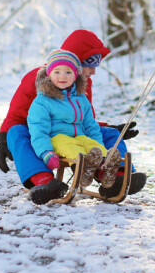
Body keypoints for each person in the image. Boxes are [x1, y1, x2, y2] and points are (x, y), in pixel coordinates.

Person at [0, 29, 147, 204]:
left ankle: (117, 177)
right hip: (45, 134)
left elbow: (83, 120)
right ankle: (43, 181)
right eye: (90, 64)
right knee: (16, 132)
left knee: (111, 135)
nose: (93, 71)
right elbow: (16, 113)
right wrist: (3, 139)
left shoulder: (81, 85)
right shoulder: (35, 79)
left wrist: (110, 128)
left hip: (75, 134)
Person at [27, 49, 122, 204]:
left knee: (92, 145)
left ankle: (106, 168)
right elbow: (38, 129)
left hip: (80, 136)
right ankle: (83, 167)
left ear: (76, 75)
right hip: (57, 138)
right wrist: (46, 152)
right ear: (48, 75)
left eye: (68, 72)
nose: (62, 76)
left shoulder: (81, 99)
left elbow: (91, 125)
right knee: (70, 146)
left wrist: (98, 144)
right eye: (57, 72)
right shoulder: (42, 101)